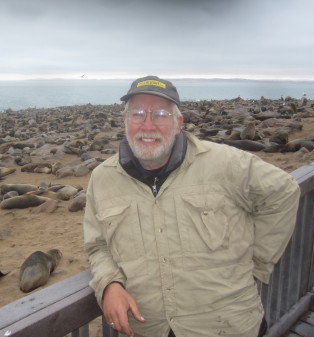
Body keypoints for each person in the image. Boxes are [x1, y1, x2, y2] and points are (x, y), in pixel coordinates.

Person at [83, 75, 300, 337]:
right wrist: (108, 284)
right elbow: (97, 245)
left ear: (178, 123)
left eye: (160, 114)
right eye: (138, 113)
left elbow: (284, 192)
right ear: (124, 121)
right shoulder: (102, 178)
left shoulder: (225, 162)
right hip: (148, 328)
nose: (147, 125)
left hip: (225, 327)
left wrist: (257, 261)